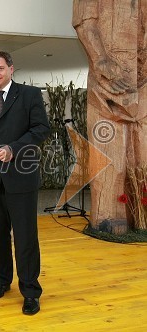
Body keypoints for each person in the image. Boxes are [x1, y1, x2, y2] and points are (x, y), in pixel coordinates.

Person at [0, 51, 50, 315]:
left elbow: (40, 129)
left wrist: (14, 149)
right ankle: (1, 281)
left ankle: (30, 291)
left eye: (0, 68)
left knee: (26, 237)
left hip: (21, 179)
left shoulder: (30, 95)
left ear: (11, 69)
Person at [72, 0, 146, 228]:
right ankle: (108, 215)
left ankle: (140, 215)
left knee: (141, 154)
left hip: (141, 80)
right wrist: (101, 61)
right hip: (107, 80)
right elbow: (84, 22)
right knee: (110, 155)